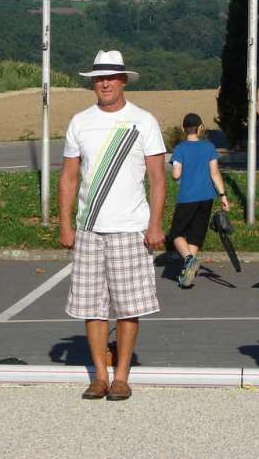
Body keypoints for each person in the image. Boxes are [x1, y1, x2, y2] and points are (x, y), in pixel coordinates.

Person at [58, 50, 166, 402]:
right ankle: (99, 376)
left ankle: (122, 376)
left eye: (110, 78)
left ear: (123, 81)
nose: (104, 83)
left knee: (128, 305)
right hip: (89, 228)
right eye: (97, 78)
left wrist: (155, 225)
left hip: (131, 227)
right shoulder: (80, 122)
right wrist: (64, 223)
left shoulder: (143, 121)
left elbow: (158, 179)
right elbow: (69, 177)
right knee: (92, 306)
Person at [170, 112, 230, 288]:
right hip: (206, 197)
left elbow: (176, 174)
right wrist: (223, 195)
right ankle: (188, 275)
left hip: (187, 197)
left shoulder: (180, 149)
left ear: (183, 128)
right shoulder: (209, 147)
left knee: (176, 233)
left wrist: (176, 169)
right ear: (200, 128)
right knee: (196, 235)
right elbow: (214, 173)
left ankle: (188, 259)